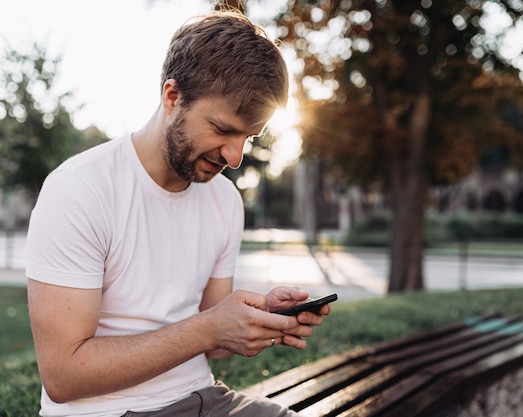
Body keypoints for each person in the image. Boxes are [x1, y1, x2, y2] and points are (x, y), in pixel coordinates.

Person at [26, 9, 331, 417]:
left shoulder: (224, 200)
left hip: (207, 399)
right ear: (172, 97)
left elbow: (214, 338)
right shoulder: (80, 189)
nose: (235, 157)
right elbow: (63, 376)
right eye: (223, 130)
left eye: (249, 137)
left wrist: (260, 319)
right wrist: (208, 328)